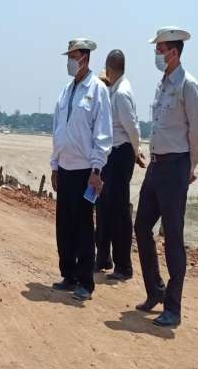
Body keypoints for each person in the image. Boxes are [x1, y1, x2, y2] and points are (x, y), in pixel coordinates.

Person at [134, 27, 198, 328]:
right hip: (156, 165)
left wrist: (191, 165)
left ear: (174, 52)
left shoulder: (189, 85)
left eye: (160, 50)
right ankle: (156, 290)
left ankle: (173, 308)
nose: (157, 55)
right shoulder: (162, 84)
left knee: (173, 235)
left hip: (176, 166)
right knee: (141, 226)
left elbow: (197, 129)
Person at [50, 38, 112, 302]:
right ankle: (69, 274)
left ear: (84, 58)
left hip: (86, 170)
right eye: (68, 57)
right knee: (64, 226)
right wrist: (54, 165)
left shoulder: (97, 90)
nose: (69, 61)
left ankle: (85, 281)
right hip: (65, 167)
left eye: (73, 57)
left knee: (84, 227)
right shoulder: (66, 91)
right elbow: (57, 129)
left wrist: (97, 169)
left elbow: (103, 133)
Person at [95, 50, 144, 280]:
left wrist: (136, 151)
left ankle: (124, 266)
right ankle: (103, 257)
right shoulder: (112, 89)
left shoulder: (122, 93)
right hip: (109, 155)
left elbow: (132, 127)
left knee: (118, 211)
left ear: (109, 68)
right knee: (103, 207)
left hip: (121, 153)